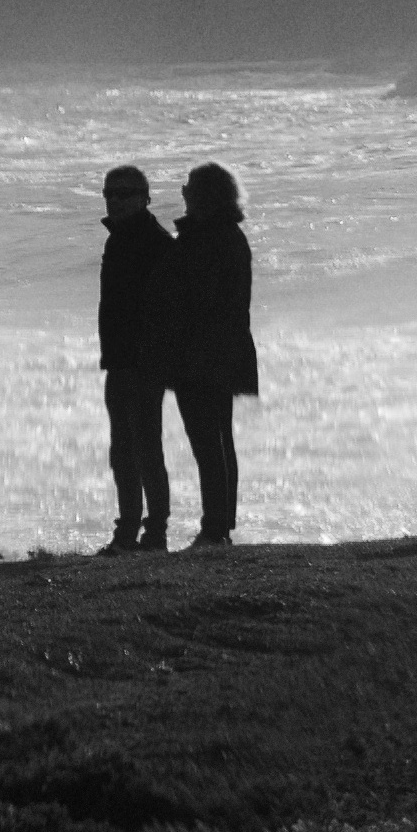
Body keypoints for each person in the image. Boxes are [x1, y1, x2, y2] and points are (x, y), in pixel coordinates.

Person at [172, 161, 260, 548]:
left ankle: (214, 529)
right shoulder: (225, 234)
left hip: (205, 351)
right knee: (218, 438)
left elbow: (194, 297)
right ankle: (220, 525)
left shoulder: (209, 237)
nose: (183, 191)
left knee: (208, 440)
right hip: (222, 348)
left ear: (205, 195)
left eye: (190, 185)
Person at [93, 164, 179, 551]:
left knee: (145, 448)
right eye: (110, 193)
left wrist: (154, 356)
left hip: (144, 361)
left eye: (124, 193)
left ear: (146, 197)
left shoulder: (155, 241)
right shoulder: (118, 239)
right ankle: (127, 530)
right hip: (119, 359)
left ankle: (154, 531)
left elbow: (167, 309)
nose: (115, 199)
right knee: (122, 450)